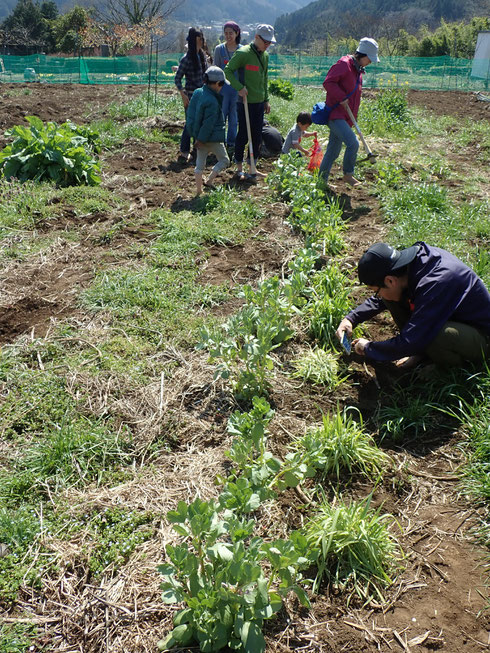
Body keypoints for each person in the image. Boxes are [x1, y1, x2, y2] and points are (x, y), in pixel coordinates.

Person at [336, 242, 490, 368]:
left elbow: (412, 339)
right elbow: (382, 298)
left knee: (437, 336)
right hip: (449, 316)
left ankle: (448, 369)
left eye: (376, 291)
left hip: (481, 337)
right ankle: (423, 354)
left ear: (390, 280)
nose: (378, 296)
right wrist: (351, 318)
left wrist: (369, 348)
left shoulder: (436, 282)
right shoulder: (406, 268)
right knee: (390, 297)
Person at [319, 37, 379, 187]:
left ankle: (321, 182)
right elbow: (328, 82)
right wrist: (341, 97)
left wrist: (353, 118)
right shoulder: (344, 65)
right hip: (335, 115)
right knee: (353, 143)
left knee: (333, 151)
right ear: (362, 55)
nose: (370, 62)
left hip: (346, 117)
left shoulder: (358, 71)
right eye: (369, 59)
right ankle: (348, 174)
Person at [224, 24, 276, 180]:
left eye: (269, 43)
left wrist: (266, 99)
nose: (267, 45)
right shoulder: (243, 53)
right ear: (257, 37)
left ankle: (252, 167)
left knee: (256, 136)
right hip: (245, 101)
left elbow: (264, 78)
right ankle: (239, 168)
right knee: (243, 135)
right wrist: (239, 87)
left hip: (259, 102)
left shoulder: (265, 56)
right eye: (265, 42)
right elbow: (227, 71)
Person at [186, 66, 230, 195]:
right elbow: (208, 124)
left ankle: (199, 191)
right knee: (224, 160)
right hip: (212, 138)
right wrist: (202, 139)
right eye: (222, 84)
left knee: (199, 166)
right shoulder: (212, 101)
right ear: (217, 83)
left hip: (198, 137)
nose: (222, 87)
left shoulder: (197, 93)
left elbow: (191, 115)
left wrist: (196, 137)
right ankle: (210, 180)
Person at [174, 27, 208, 164]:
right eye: (200, 39)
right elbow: (177, 79)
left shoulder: (202, 56)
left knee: (199, 122)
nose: (202, 42)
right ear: (194, 41)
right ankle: (184, 151)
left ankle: (197, 148)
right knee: (190, 124)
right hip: (191, 95)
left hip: (202, 94)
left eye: (202, 39)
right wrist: (183, 94)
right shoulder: (186, 59)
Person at [213, 21, 241, 153]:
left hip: (237, 89)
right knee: (221, 116)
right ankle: (219, 142)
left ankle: (231, 143)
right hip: (222, 89)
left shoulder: (241, 50)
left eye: (231, 33)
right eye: (226, 33)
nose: (228, 36)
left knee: (234, 118)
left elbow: (243, 72)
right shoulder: (219, 49)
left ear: (237, 33)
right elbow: (215, 69)